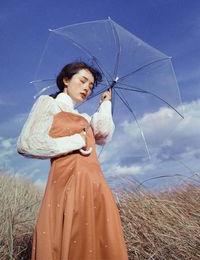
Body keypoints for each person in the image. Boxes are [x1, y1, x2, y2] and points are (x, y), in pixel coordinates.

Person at [17, 61, 128, 260]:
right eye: (83, 81)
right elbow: (27, 143)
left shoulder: (83, 116)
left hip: (95, 183)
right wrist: (75, 141)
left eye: (91, 85)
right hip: (67, 181)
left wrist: (106, 103)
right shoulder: (49, 103)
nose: (87, 88)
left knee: (98, 243)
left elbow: (103, 134)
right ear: (66, 80)